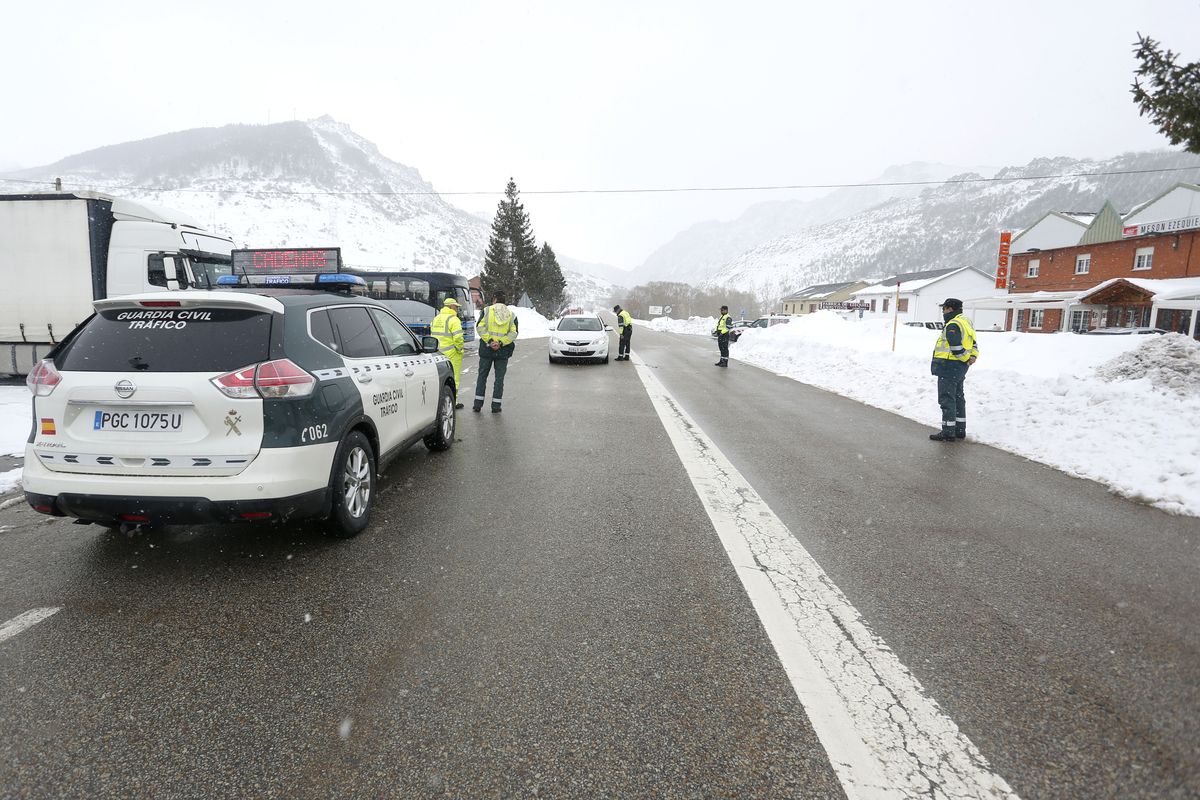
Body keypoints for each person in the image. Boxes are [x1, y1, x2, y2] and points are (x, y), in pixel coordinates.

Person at [929, 298, 978, 441]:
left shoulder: (953, 324)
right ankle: (959, 430)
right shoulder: (966, 322)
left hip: (949, 366)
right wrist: (971, 357)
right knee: (958, 398)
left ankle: (948, 431)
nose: (943, 312)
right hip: (960, 368)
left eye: (943, 309)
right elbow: (974, 343)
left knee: (947, 399)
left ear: (950, 309)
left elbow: (956, 347)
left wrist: (964, 359)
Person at [474, 290, 519, 413]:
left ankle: (478, 405)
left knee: (482, 377)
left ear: (494, 299)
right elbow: (513, 333)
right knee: (499, 379)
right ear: (505, 301)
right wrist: (500, 343)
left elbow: (480, 327)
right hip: (502, 352)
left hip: (486, 350)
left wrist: (490, 341)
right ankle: (496, 406)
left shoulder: (487, 311)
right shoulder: (511, 315)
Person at [430, 297, 465, 409]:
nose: (457, 309)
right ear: (450, 306)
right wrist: (460, 349)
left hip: (438, 354)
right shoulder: (454, 320)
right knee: (454, 379)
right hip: (452, 354)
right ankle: (453, 402)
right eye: (455, 306)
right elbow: (458, 338)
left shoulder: (436, 318)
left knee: (439, 379)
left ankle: (438, 402)